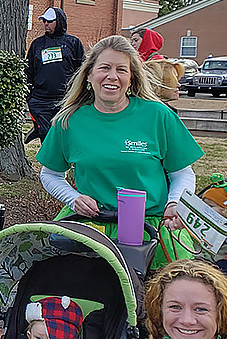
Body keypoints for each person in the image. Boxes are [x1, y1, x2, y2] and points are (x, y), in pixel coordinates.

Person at [36, 35, 201, 269]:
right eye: (104, 68)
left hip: (151, 229)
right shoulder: (68, 122)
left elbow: (182, 173)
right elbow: (50, 175)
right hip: (92, 227)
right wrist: (73, 199)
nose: (112, 76)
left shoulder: (158, 115)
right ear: (89, 75)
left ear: (131, 78)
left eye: (121, 70)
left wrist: (174, 203)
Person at [25, 7, 84, 143]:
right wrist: (30, 97)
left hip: (65, 100)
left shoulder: (73, 43)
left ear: (59, 21)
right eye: (44, 21)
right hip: (40, 101)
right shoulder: (37, 44)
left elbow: (81, 69)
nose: (46, 24)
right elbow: (28, 71)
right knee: (46, 137)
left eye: (50, 21)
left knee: (64, 135)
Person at [130, 28, 182, 101]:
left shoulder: (157, 60)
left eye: (136, 40)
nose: (132, 44)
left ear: (147, 41)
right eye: (132, 41)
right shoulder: (137, 59)